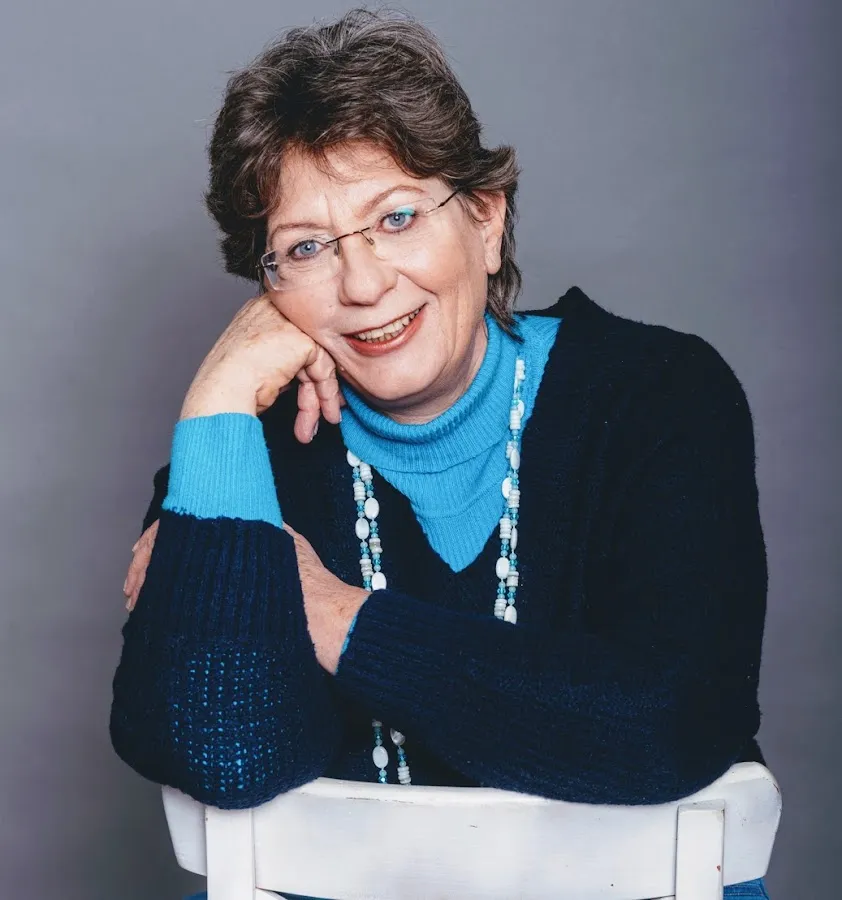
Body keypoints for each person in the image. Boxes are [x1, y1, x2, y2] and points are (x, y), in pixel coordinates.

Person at [110, 8, 771, 898]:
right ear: (267, 290)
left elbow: (669, 722)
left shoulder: (658, 394)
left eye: (396, 217)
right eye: (305, 248)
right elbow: (225, 755)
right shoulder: (240, 458)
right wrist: (218, 395)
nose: (363, 282)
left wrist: (324, 610)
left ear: (486, 220)